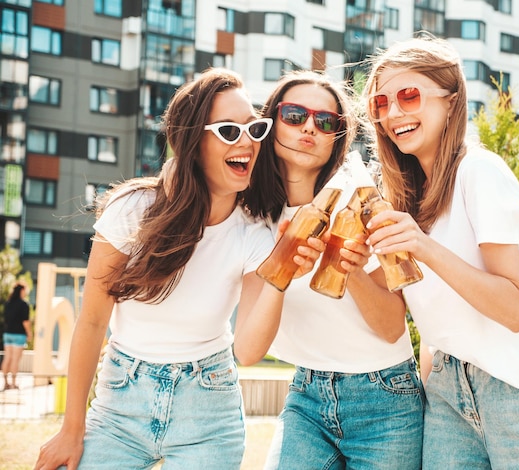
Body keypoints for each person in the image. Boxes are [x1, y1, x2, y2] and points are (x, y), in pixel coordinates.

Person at [35, 67, 321, 470]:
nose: (247, 142)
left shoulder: (253, 235)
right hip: (120, 405)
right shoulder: (131, 210)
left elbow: (249, 350)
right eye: (228, 131)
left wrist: (281, 274)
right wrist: (71, 428)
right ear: (190, 140)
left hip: (209, 409)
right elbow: (93, 322)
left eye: (254, 130)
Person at [361, 33, 519, 469]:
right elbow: (406, 323)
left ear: (450, 101)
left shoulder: (479, 172)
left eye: (409, 96)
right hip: (447, 394)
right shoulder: (404, 200)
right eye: (381, 102)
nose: (394, 113)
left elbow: (516, 310)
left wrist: (423, 247)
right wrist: (353, 268)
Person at [242, 70, 424, 470]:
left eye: (326, 122)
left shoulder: (363, 204)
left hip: (386, 399)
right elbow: (247, 350)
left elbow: (393, 327)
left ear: (337, 139)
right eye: (294, 115)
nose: (309, 127)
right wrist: (282, 271)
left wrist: (352, 268)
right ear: (270, 123)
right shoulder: (253, 221)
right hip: (307, 395)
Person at [2, 283, 32, 391]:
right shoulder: (24, 305)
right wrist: (29, 333)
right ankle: (14, 384)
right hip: (19, 335)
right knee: (15, 360)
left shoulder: (8, 303)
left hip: (7, 334)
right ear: (22, 291)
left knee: (7, 358)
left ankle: (5, 383)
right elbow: (25, 321)